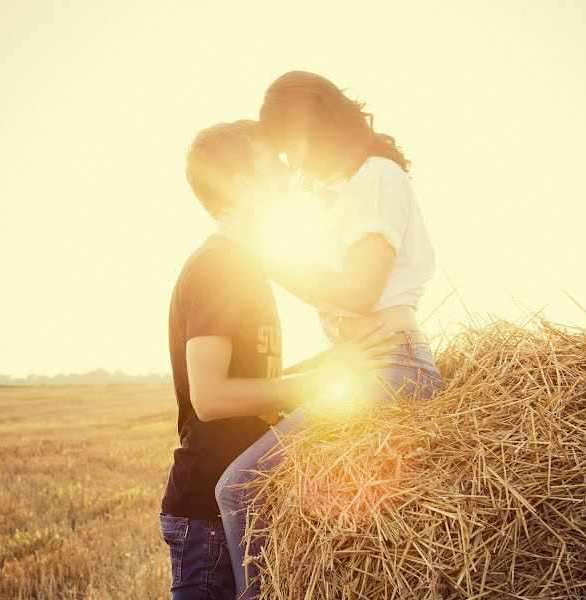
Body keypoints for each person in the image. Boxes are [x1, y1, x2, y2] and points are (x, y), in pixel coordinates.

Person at [215, 71, 443, 599]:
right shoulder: (348, 191)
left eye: (290, 147)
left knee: (241, 487)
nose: (291, 165)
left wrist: (265, 256)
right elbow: (336, 294)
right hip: (366, 366)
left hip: (392, 366)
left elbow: (360, 292)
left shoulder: (377, 179)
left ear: (316, 126)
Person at [160, 119, 394, 600]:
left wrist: (334, 360)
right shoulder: (219, 265)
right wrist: (320, 381)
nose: (288, 172)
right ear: (242, 183)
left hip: (234, 501)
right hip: (207, 510)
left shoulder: (245, 264)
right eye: (273, 161)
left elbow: (252, 379)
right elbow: (210, 396)